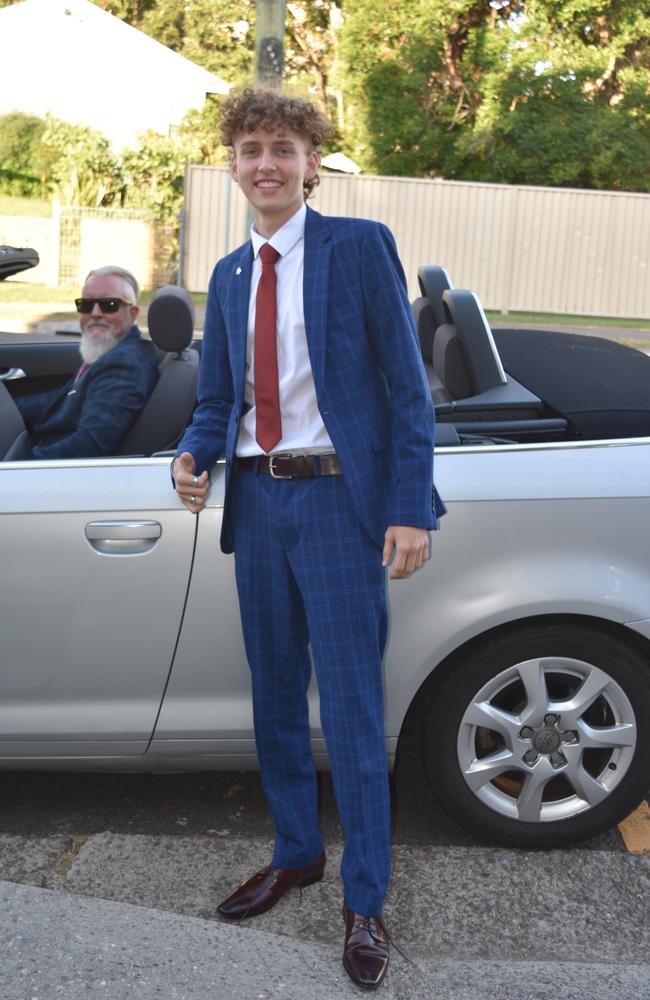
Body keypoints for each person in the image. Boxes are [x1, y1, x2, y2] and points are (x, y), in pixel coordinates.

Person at [173, 88, 445, 991]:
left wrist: (411, 507)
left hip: (337, 507)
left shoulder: (357, 248)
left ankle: (364, 895)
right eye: (249, 149)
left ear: (310, 162)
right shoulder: (226, 273)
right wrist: (194, 451)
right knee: (275, 699)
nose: (265, 164)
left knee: (356, 713)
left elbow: (408, 391)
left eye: (282, 148)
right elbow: (218, 398)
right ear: (234, 165)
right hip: (258, 506)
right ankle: (297, 853)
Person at [15, 266, 158, 459]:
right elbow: (59, 402)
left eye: (109, 304)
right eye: (86, 304)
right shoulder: (108, 352)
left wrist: (17, 464)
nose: (95, 313)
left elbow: (88, 448)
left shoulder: (124, 364)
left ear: (132, 313)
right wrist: (9, 407)